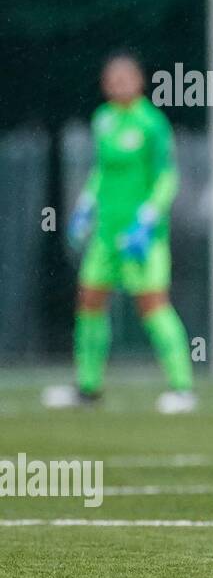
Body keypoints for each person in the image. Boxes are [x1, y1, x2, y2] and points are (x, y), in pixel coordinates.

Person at [42, 54, 196, 414]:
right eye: (112, 79)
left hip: (142, 236)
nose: (118, 84)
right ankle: (88, 388)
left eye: (125, 78)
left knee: (152, 305)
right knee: (90, 300)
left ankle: (182, 387)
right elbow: (101, 173)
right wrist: (85, 207)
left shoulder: (151, 123)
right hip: (106, 234)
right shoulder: (103, 120)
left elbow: (167, 177)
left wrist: (148, 218)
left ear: (139, 81)